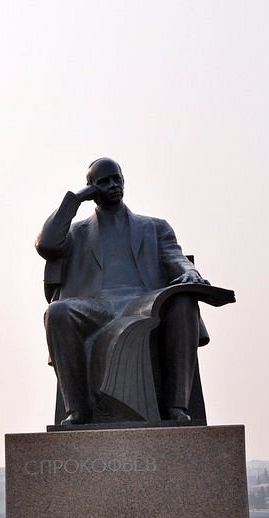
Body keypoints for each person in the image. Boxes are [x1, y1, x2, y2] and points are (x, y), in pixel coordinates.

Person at [36, 157, 211, 426]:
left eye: (116, 179)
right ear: (92, 188)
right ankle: (77, 411)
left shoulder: (154, 227)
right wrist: (75, 199)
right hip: (96, 307)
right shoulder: (76, 233)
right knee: (57, 312)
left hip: (146, 301)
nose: (113, 185)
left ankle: (176, 408)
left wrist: (190, 272)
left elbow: (175, 258)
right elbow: (46, 244)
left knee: (184, 300)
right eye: (103, 182)